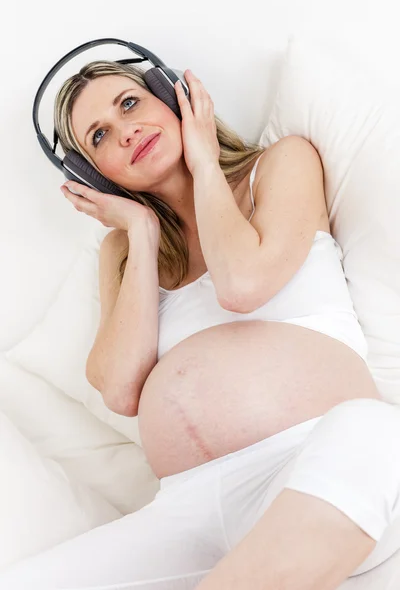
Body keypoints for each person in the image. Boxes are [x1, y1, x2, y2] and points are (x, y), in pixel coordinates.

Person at [2, 60, 400, 590]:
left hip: (325, 457)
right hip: (193, 507)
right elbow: (121, 388)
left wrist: (204, 160)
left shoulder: (281, 163)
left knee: (374, 429)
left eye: (129, 104)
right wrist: (140, 231)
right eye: (100, 136)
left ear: (172, 96)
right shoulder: (120, 249)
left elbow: (241, 285)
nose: (126, 132)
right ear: (94, 175)